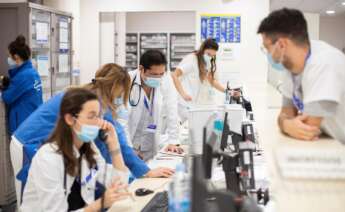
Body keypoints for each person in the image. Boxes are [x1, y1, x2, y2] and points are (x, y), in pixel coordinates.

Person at [10, 63, 174, 205]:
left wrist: (125, 175)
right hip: (28, 142)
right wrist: (143, 173)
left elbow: (111, 143)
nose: (120, 98)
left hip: (45, 143)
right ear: (113, 87)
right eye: (120, 93)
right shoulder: (92, 102)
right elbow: (111, 143)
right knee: (32, 198)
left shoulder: (95, 96)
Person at [21, 88, 131, 211]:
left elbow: (119, 187)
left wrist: (114, 146)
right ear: (69, 119)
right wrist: (99, 204)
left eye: (99, 117)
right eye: (92, 117)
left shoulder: (88, 147)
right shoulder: (49, 157)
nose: (98, 123)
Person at [257, 8, 345, 143]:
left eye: (267, 47)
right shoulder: (290, 66)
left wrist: (285, 124)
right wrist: (286, 124)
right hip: (330, 142)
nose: (267, 53)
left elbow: (309, 128)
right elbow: (285, 114)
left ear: (281, 45)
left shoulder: (325, 62)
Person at [124, 50, 183, 163]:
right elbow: (122, 120)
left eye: (161, 74)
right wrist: (128, 148)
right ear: (141, 69)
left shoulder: (165, 79)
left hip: (150, 142)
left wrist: (173, 140)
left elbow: (172, 109)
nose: (158, 78)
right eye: (154, 74)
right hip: (130, 141)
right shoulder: (127, 81)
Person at [171, 38, 239, 122]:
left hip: (196, 105)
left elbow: (212, 81)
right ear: (203, 49)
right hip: (185, 104)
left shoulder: (208, 62)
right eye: (208, 54)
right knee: (193, 128)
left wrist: (228, 91)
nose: (210, 57)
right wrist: (183, 94)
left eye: (212, 55)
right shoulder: (192, 59)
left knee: (210, 125)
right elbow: (174, 75)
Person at [1, 35, 43, 134]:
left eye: (9, 56)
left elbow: (7, 97)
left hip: (23, 124)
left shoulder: (23, 76)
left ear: (16, 57)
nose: (8, 59)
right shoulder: (32, 72)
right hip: (32, 121)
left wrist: (4, 88)